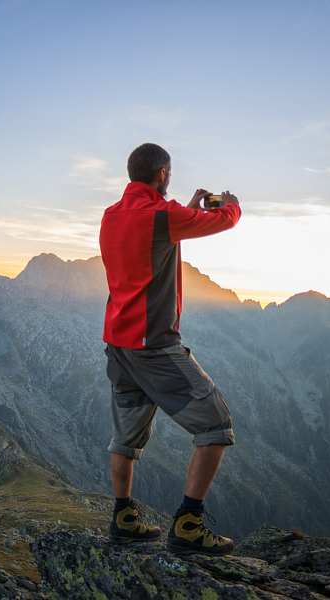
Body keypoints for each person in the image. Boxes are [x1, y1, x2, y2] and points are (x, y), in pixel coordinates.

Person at [99, 142, 241, 556]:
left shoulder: (112, 215)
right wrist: (230, 206)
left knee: (125, 437)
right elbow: (222, 223)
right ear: (163, 173)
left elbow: (157, 226)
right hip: (155, 345)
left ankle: (123, 518)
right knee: (216, 425)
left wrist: (188, 206)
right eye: (170, 173)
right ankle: (189, 524)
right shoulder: (162, 216)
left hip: (118, 344)